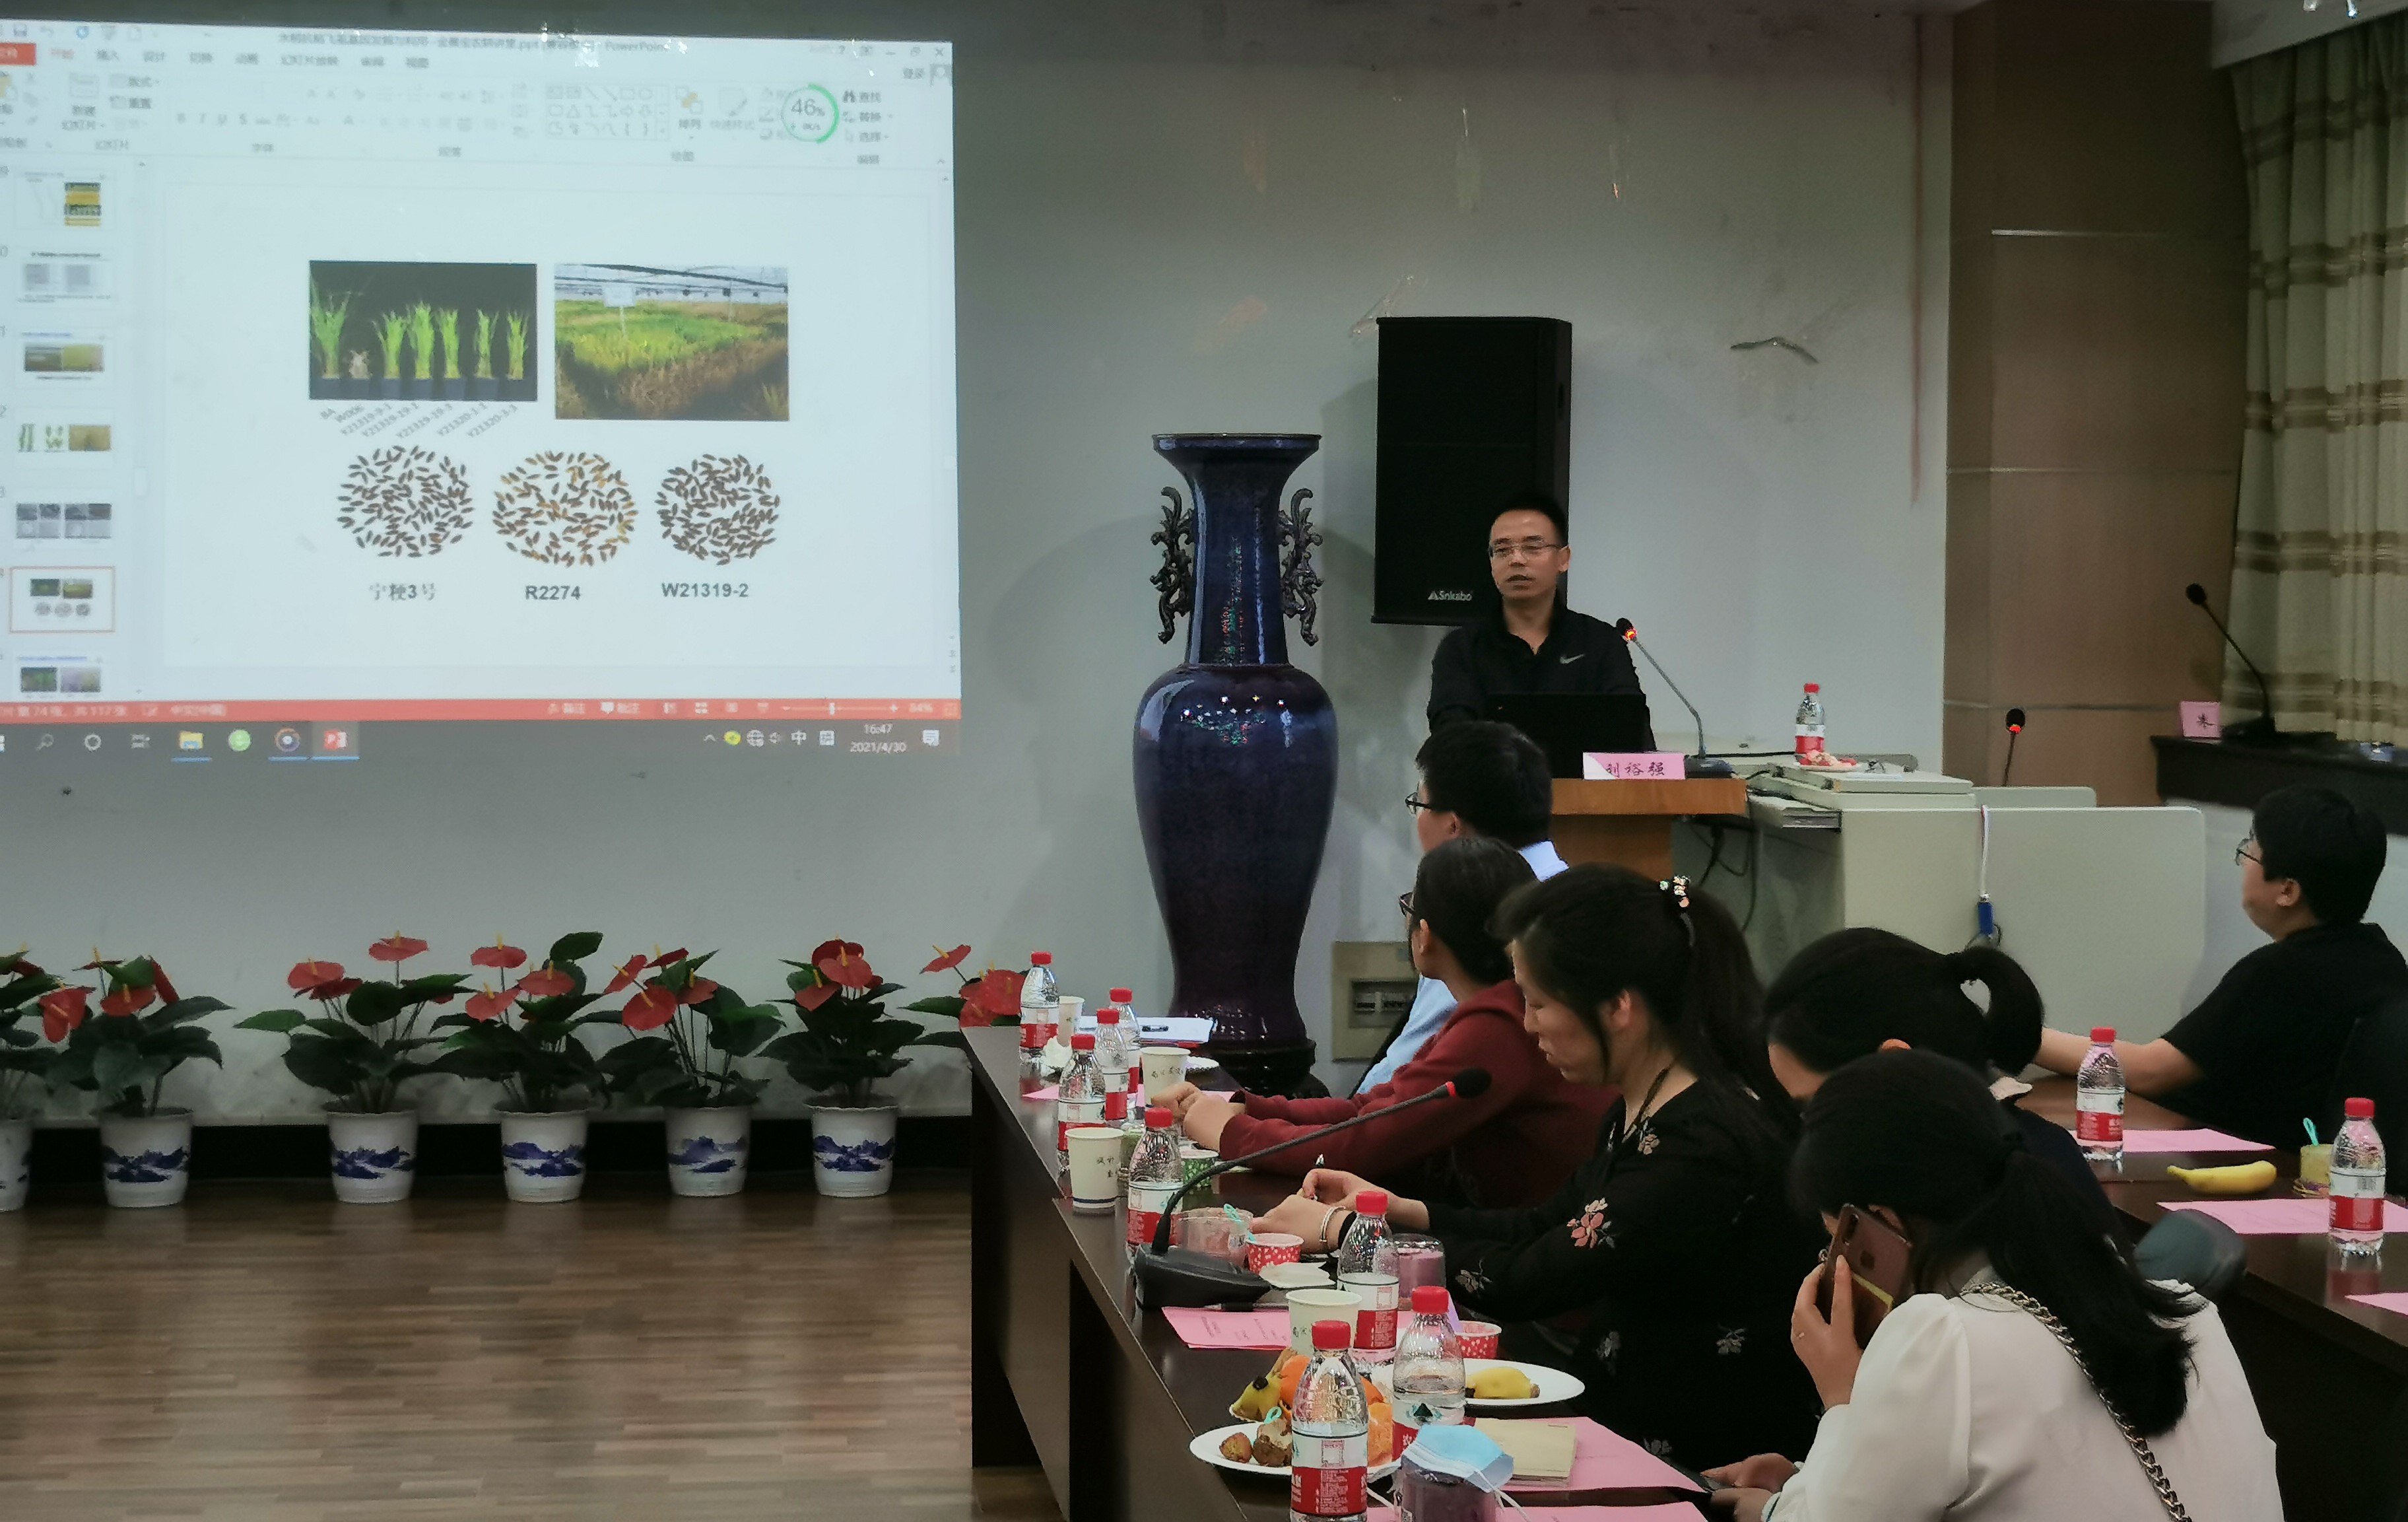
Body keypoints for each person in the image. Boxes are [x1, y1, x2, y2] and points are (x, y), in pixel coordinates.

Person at [1250, 865, 1824, 1468]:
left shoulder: (1704, 1139)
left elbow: (1532, 1277)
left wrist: (1347, 1232)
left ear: (1618, 1007)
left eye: (1540, 1001)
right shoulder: (1646, 1103)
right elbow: (1543, 1224)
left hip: (1702, 1458)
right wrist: (1397, 1210)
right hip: (1624, 1417)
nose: (1527, 1023)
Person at [1704, 1051, 2281, 1521]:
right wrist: (1804, 1482)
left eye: (1837, 1245)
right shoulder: (2191, 1310)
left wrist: (1843, 1401)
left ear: (1883, 1226)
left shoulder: (1939, 1340)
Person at [1166, 838, 1610, 1208]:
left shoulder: (1499, 1025)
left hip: (1528, 1256)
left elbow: (1366, 1143)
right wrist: (1248, 1109)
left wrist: (1231, 1133)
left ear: (1425, 935)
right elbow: (1376, 1105)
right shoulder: (1492, 1010)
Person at [2033, 784, 2405, 1147]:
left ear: (2287, 891)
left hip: (2231, 1151)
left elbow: (2151, 1071)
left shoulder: (2277, 974)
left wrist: (2018, 1032)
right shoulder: (2382, 958)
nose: (2243, 864)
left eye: (2251, 854)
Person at [1763, 928, 2110, 1231]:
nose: (1811, 1132)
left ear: (1894, 1064)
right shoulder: (2009, 1150)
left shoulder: (1966, 1197)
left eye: (1816, 1107)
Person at [1356, 720, 1569, 1093]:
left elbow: (1407, 1073)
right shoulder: (1576, 892)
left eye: (1419, 805)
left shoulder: (1475, 903)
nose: (1417, 820)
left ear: (1453, 827)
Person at [1425, 489, 1649, 731]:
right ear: (1491, 562)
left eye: (1532, 547)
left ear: (1563, 559)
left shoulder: (1602, 643)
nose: (1516, 560)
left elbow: (1630, 732)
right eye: (1502, 550)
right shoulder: (1462, 649)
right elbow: (1451, 738)